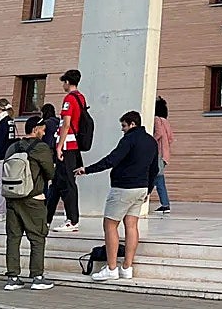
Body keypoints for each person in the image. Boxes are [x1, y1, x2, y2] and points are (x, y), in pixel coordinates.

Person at [75, 110, 158, 281]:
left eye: (124, 126)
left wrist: (87, 169)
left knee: (110, 225)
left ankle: (112, 268)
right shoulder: (151, 141)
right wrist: (148, 190)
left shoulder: (129, 139)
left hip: (123, 188)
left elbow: (112, 159)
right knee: (132, 225)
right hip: (141, 188)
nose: (122, 129)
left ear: (132, 124)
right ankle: (127, 268)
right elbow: (154, 168)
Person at [2, 115, 55, 291]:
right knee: (37, 237)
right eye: (43, 129)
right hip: (32, 198)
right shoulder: (41, 147)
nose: (44, 131)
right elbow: (50, 172)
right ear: (35, 129)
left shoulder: (13, 146)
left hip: (11, 197)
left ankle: (12, 277)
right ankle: (37, 277)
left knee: (13, 237)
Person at [49, 69, 86, 233]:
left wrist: (59, 147)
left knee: (68, 183)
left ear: (67, 82)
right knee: (56, 184)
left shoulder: (69, 99)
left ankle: (72, 220)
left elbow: (66, 124)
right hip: (73, 145)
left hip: (67, 146)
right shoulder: (81, 98)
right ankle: (46, 218)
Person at [152, 96, 175, 214]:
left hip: (158, 153)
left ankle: (165, 204)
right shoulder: (166, 121)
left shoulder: (156, 119)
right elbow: (171, 138)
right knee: (157, 177)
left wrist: (151, 141)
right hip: (165, 154)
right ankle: (165, 204)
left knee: (156, 177)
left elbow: (158, 133)